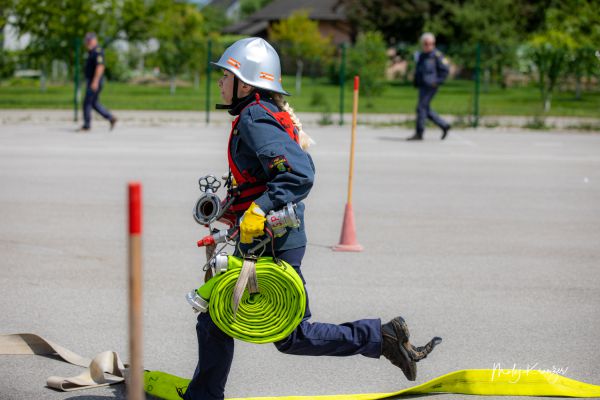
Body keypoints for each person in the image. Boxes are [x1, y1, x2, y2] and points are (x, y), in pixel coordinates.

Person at [183, 37, 442, 400]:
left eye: (225, 76)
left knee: (235, 323)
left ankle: (381, 337)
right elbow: (266, 175)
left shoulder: (254, 116)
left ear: (247, 84)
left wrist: (258, 209)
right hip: (271, 238)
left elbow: (298, 172)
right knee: (251, 328)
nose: (220, 83)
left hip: (270, 242)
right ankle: (381, 337)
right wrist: (234, 206)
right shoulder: (263, 112)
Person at [407, 32, 450, 141]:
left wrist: (437, 81)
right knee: (425, 109)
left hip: (431, 86)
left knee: (421, 108)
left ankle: (419, 133)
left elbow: (445, 70)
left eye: (430, 43)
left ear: (433, 44)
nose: (428, 46)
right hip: (422, 85)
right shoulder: (421, 55)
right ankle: (444, 125)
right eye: (425, 43)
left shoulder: (437, 55)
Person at [78, 32, 116, 132]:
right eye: (87, 40)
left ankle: (86, 126)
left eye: (90, 40)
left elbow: (100, 66)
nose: (88, 42)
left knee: (87, 103)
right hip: (93, 80)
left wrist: (95, 81)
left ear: (95, 40)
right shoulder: (91, 52)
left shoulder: (97, 51)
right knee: (93, 103)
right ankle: (110, 118)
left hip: (95, 80)